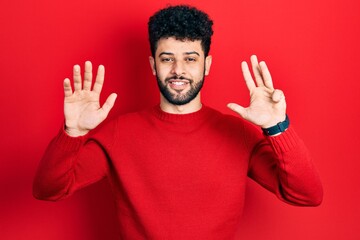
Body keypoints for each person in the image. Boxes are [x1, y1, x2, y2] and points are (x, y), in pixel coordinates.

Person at [33, 5, 323, 239]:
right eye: (167, 59)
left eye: (191, 59)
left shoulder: (237, 134)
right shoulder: (120, 133)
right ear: (152, 65)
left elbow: (307, 195)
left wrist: (277, 128)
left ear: (207, 65)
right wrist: (72, 133)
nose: (178, 71)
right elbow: (48, 190)